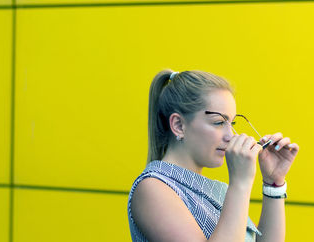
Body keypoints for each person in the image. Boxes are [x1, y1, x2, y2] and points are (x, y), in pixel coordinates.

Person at [127, 69, 299, 242]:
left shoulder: (219, 191)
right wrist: (240, 182)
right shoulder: (153, 189)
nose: (230, 135)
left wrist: (273, 184)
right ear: (178, 125)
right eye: (218, 122)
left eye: (231, 123)